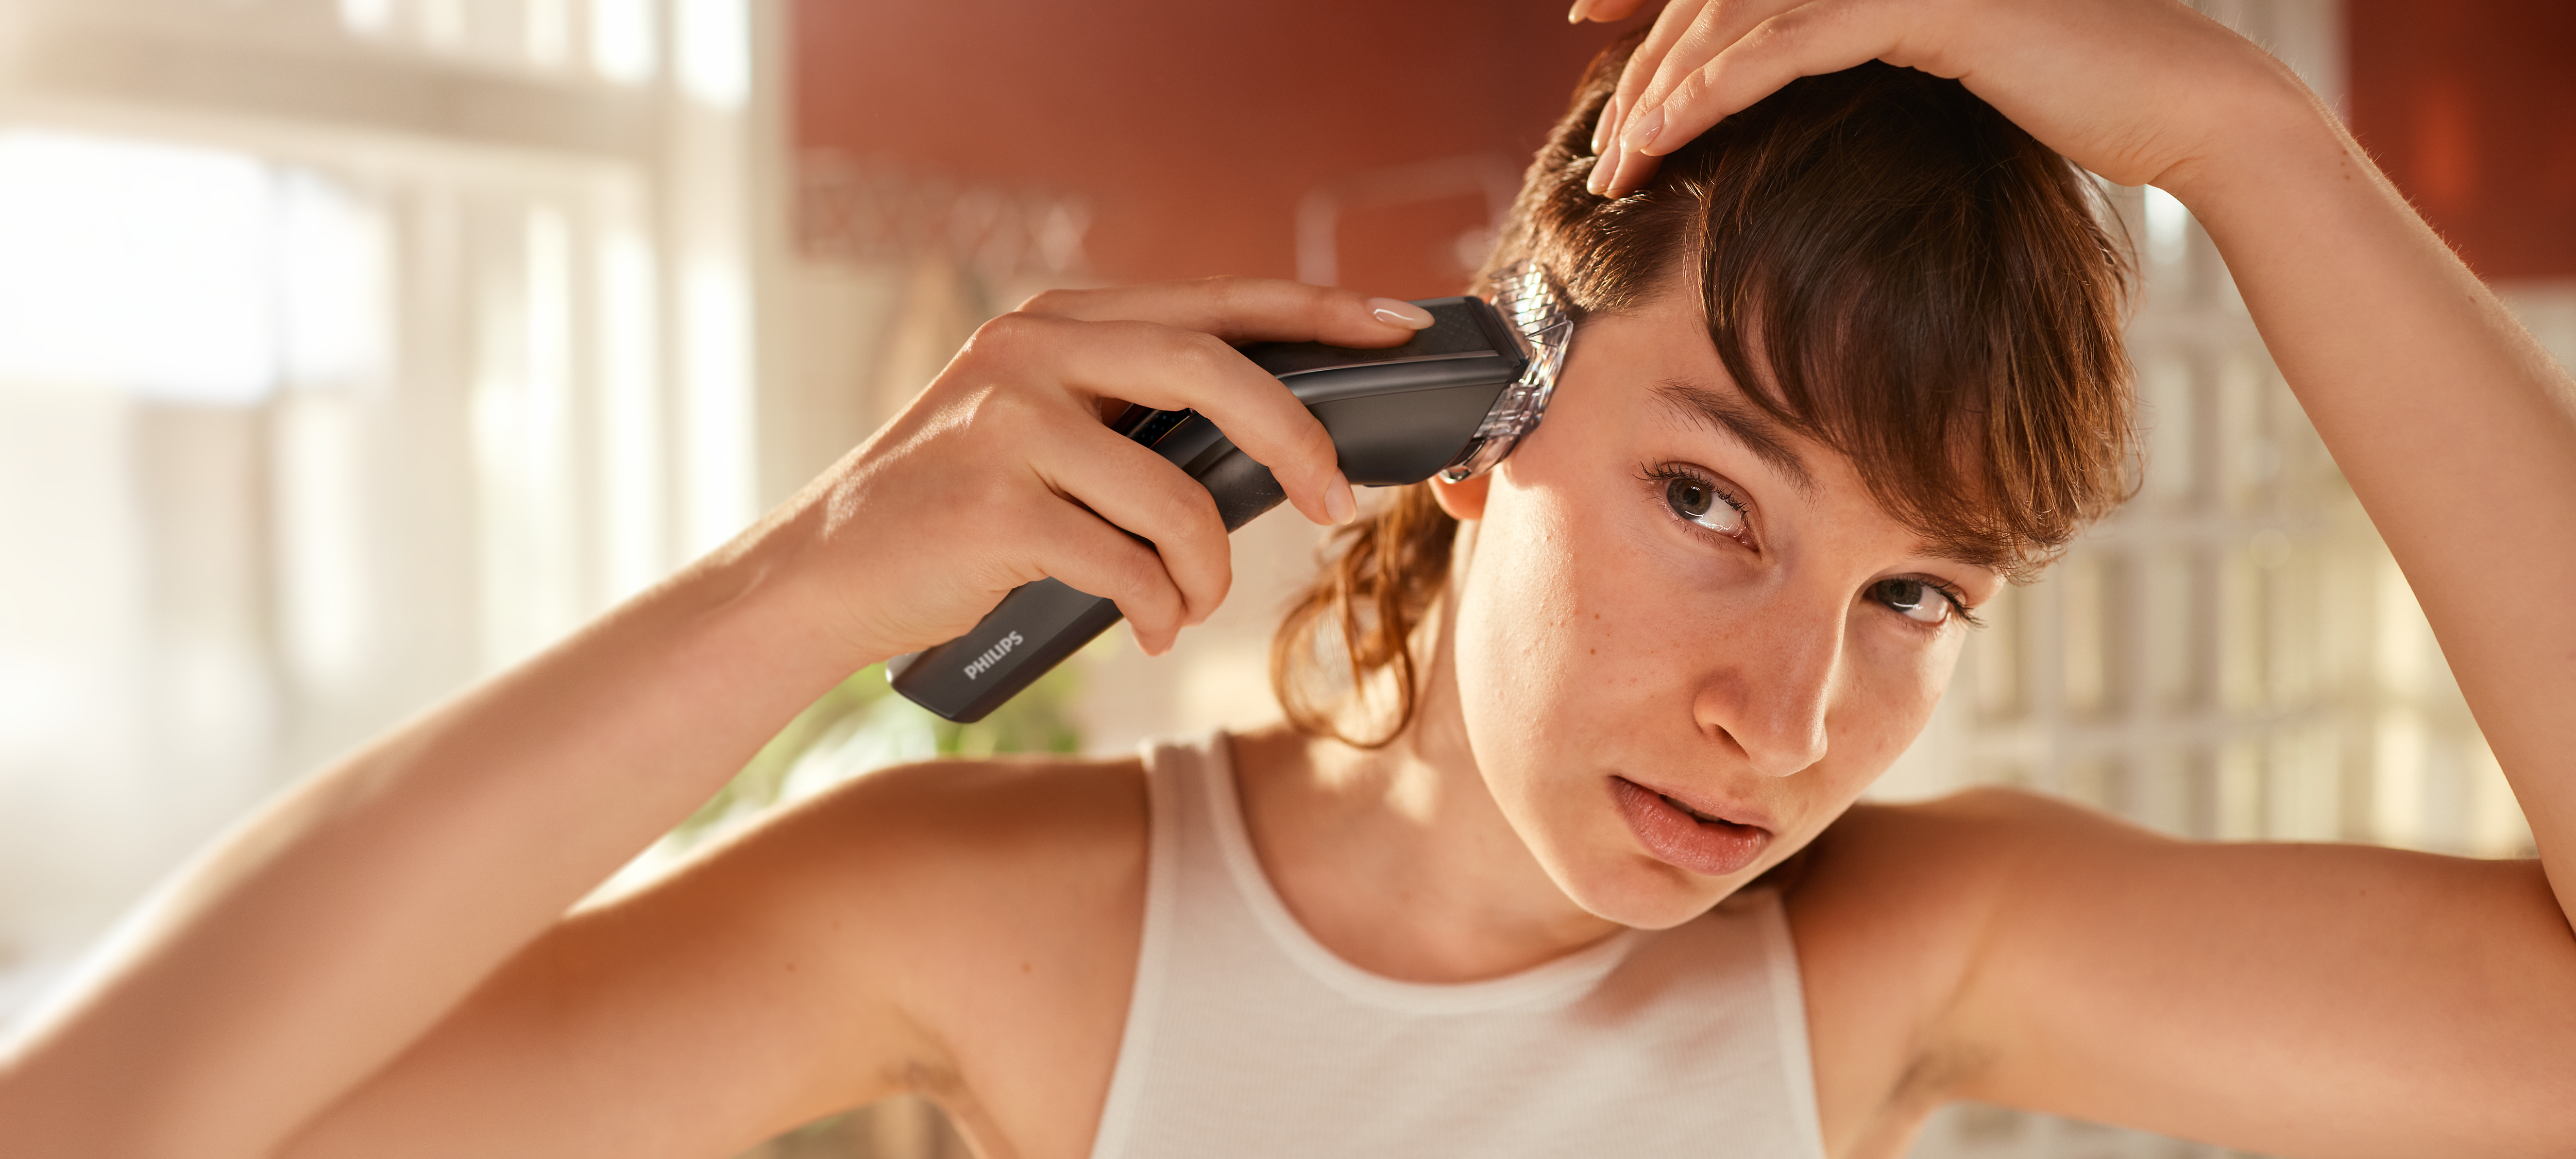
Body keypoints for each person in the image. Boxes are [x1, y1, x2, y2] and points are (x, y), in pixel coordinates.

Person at [5, 0, 2573, 1155]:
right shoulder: (1015, 922)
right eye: (1714, 497)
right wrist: (790, 591)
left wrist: (2246, 139)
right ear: (1473, 424)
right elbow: (93, 1124)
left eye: (1915, 598)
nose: (1785, 717)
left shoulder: (1902, 946)